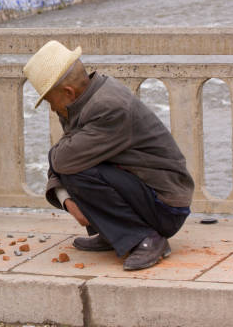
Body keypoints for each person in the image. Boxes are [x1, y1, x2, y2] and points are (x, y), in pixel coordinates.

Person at [23, 41, 194, 271]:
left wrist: (62, 186)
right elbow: (64, 157)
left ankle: (145, 238)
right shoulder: (82, 101)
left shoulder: (108, 107)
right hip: (144, 192)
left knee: (78, 172)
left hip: (166, 206)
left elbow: (63, 160)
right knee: (75, 165)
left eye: (49, 100)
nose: (51, 108)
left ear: (67, 92)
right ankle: (115, 233)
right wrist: (65, 198)